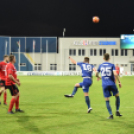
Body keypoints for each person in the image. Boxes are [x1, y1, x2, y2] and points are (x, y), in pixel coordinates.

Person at [96, 53, 122, 119]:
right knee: (117, 96)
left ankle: (111, 115)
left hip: (104, 85)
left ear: (103, 58)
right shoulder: (112, 65)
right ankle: (117, 110)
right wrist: (119, 82)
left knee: (107, 100)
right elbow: (115, 74)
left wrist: (99, 77)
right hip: (112, 84)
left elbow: (96, 74)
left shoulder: (100, 65)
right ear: (109, 58)